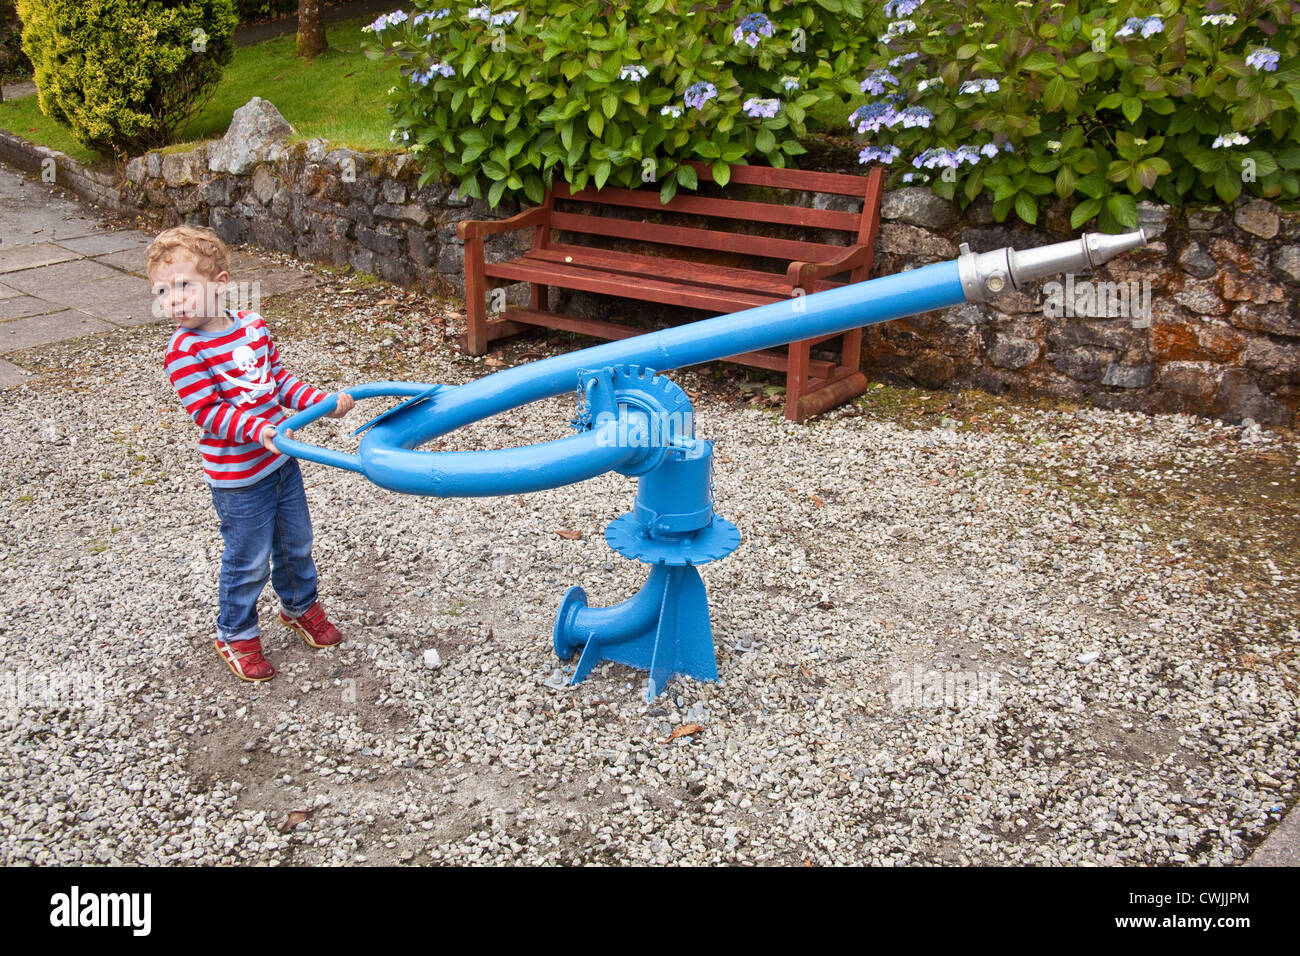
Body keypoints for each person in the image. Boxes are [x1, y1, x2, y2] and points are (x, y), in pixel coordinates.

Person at [147, 225, 355, 682]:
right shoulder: (184, 351)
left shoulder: (253, 326)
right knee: (248, 559)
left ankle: (299, 607)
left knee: (296, 543)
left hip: (281, 462)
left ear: (220, 283)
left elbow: (278, 382)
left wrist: (321, 401)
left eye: (184, 285)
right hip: (238, 478)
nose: (173, 299)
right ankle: (235, 632)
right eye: (163, 291)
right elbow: (208, 411)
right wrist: (258, 429)